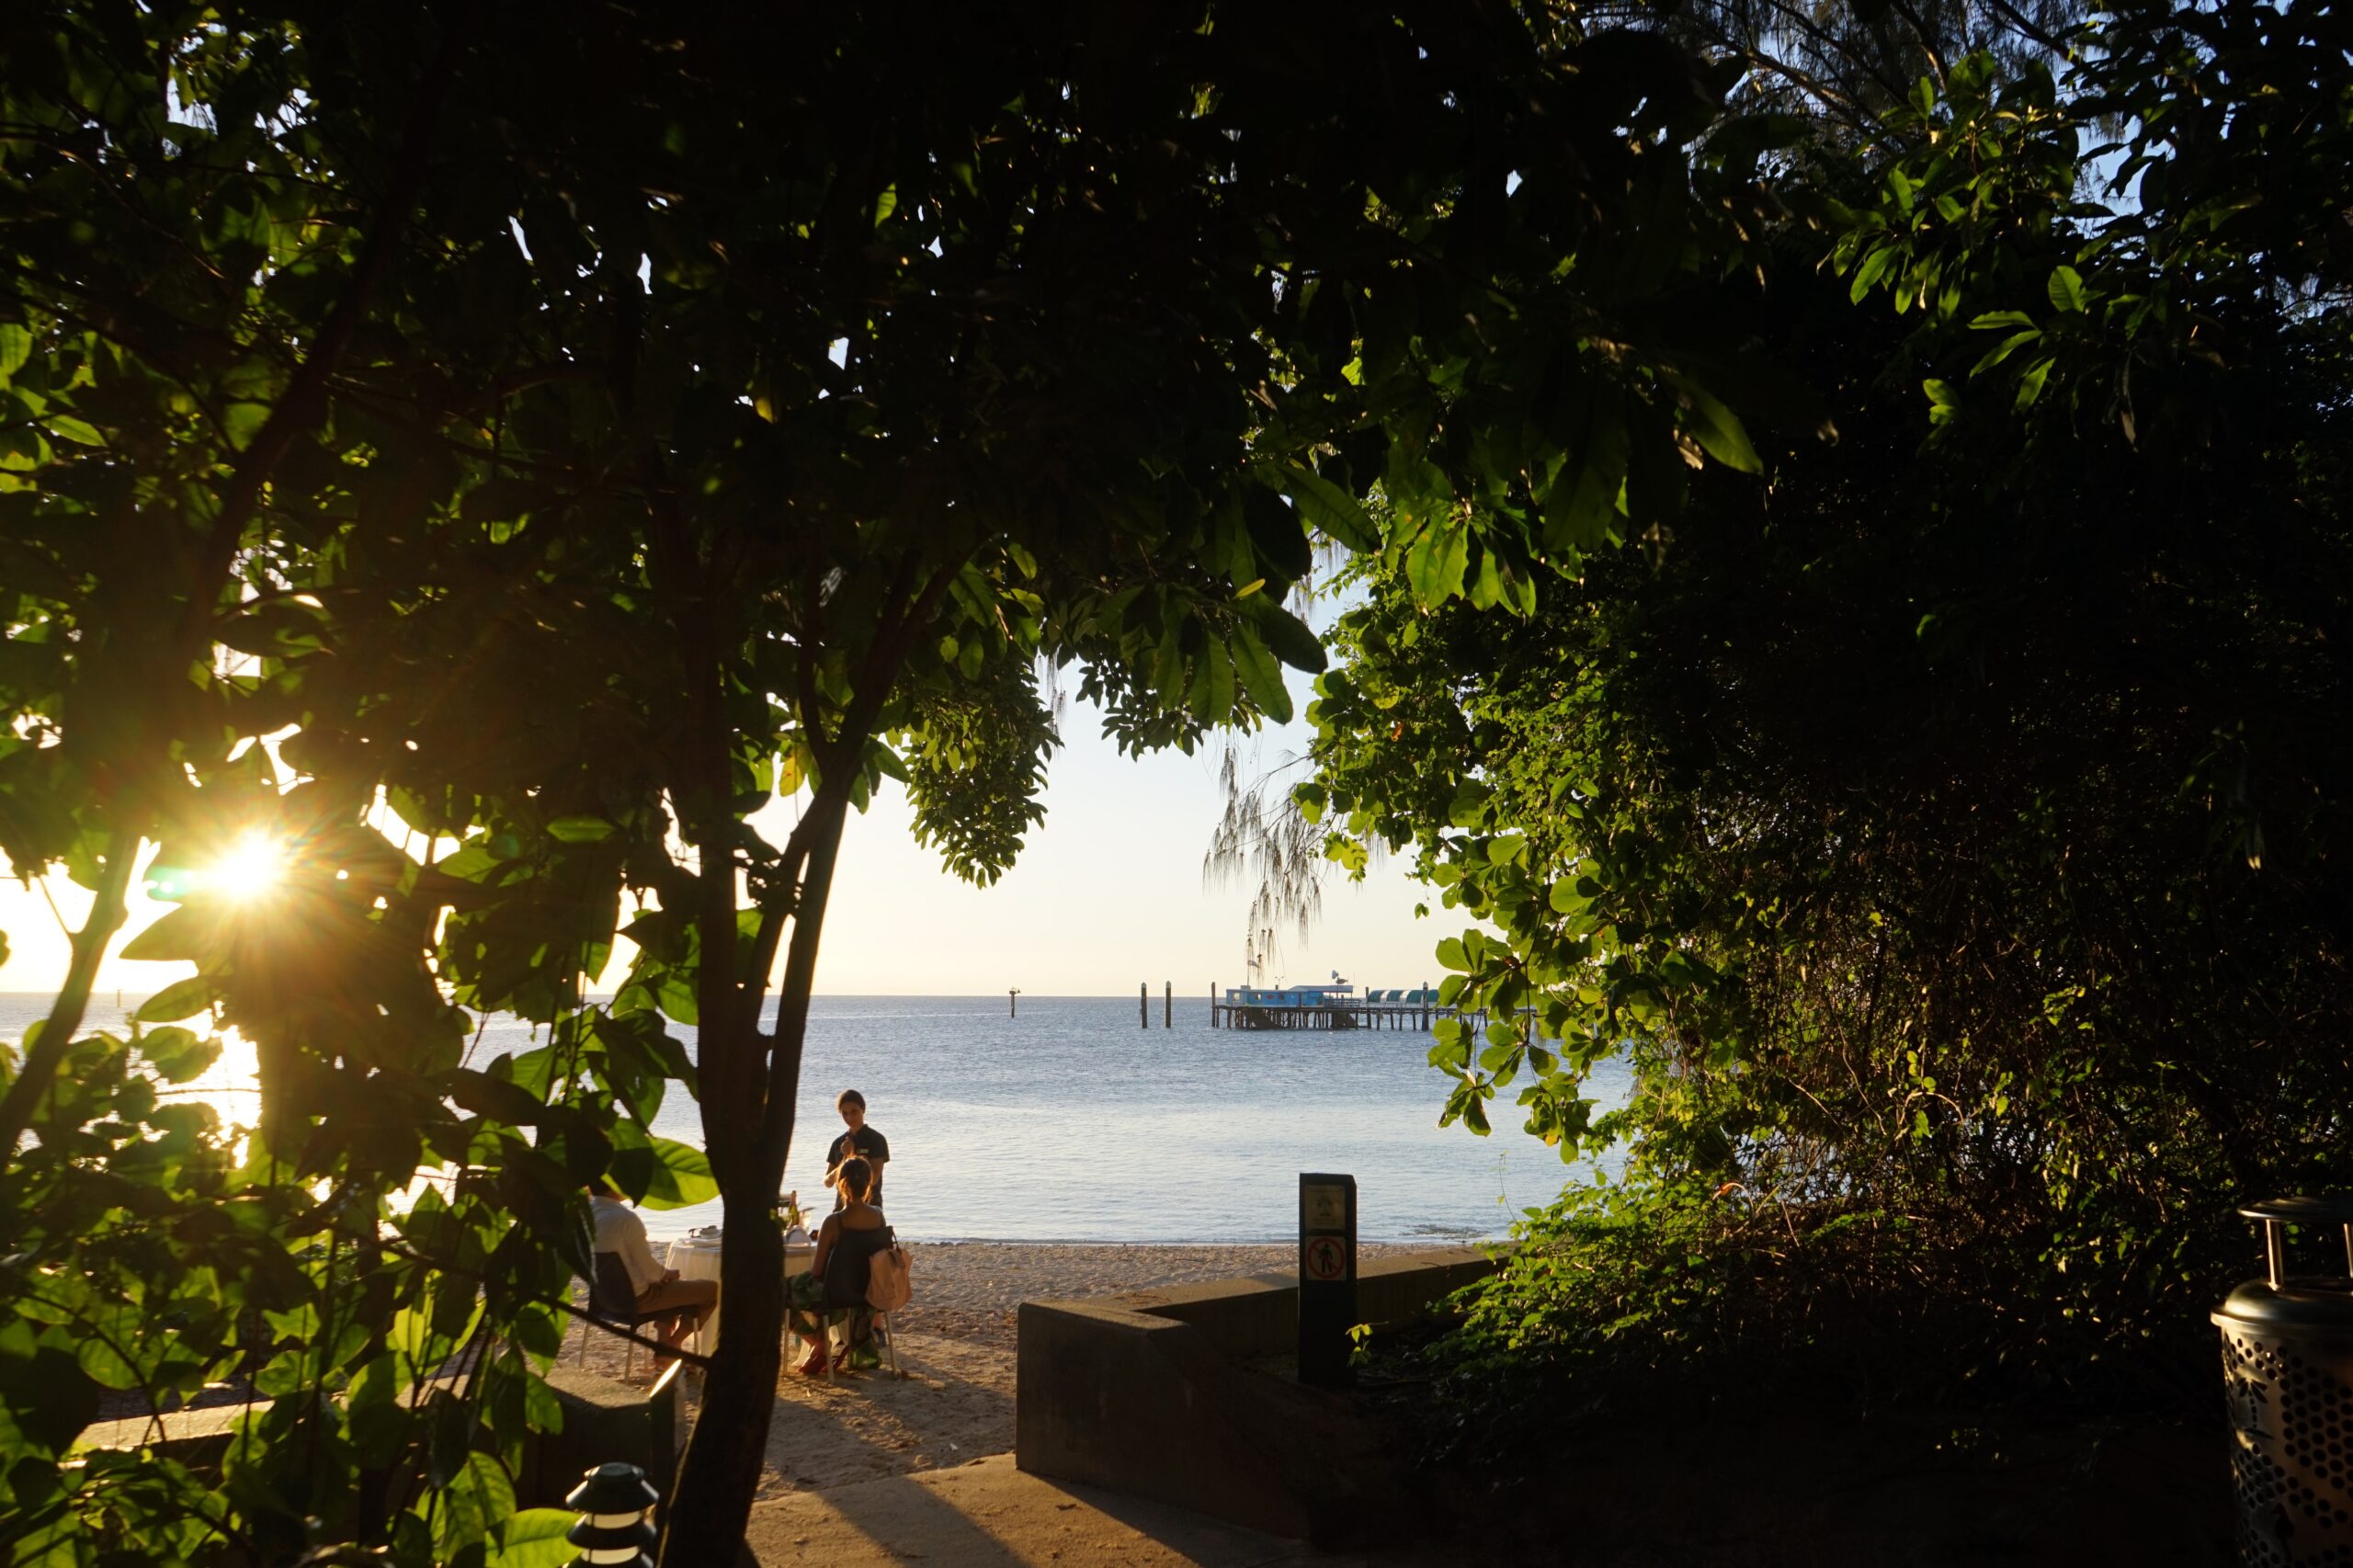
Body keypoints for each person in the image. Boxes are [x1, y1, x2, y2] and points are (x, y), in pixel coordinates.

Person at [587, 1180, 716, 1362]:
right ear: (614, 1185)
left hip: (602, 1299)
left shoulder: (585, 1214)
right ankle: (672, 1345)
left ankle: (663, 1346)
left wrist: (663, 1276)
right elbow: (650, 1272)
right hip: (635, 1300)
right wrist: (666, 1274)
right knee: (711, 1290)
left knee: (665, 1285)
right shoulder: (624, 1219)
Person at [795, 1156, 894, 1374]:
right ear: (869, 1184)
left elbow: (817, 1271)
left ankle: (818, 1343)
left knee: (782, 1291)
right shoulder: (878, 1216)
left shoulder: (834, 1222)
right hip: (867, 1292)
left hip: (835, 1295)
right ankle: (826, 1342)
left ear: (841, 1185)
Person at [822, 1088, 890, 1209]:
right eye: (845, 1113)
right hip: (842, 1208)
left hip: (870, 1207)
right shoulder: (838, 1143)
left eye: (854, 1111)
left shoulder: (876, 1140)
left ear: (863, 1110)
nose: (849, 1117)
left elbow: (873, 1179)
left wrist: (851, 1155)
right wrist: (845, 1158)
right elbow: (827, 1182)